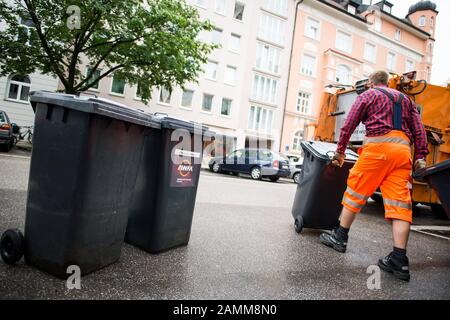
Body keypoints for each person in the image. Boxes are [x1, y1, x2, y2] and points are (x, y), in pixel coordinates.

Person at [319, 70, 428, 281]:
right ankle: (399, 260)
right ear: (388, 83)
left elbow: (349, 123)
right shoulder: (406, 99)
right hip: (402, 154)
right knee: (401, 205)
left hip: (377, 150)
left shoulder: (368, 95)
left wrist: (340, 151)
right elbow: (419, 130)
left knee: (355, 192)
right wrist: (420, 155)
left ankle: (340, 237)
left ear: (371, 83)